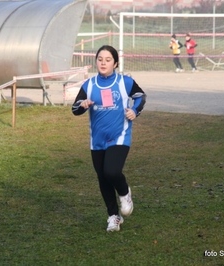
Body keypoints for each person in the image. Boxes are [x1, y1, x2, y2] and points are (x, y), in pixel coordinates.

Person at [72, 45, 146, 232]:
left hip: (119, 135)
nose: (103, 63)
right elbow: (75, 109)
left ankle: (125, 193)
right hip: (97, 140)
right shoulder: (89, 85)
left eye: (107, 60)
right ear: (96, 61)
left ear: (115, 63)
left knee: (111, 172)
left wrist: (134, 111)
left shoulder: (125, 82)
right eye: (100, 59)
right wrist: (83, 104)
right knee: (102, 178)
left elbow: (140, 96)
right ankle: (113, 217)